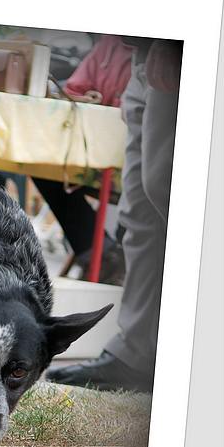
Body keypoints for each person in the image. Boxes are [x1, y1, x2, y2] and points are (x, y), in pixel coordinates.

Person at [46, 38, 182, 392]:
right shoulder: (104, 47)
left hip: (177, 51)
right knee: (139, 215)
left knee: (171, 194)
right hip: (144, 58)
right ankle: (133, 355)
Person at [33, 34, 135, 285]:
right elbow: (74, 88)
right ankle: (98, 253)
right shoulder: (109, 43)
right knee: (44, 168)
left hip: (129, 164)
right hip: (95, 155)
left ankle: (117, 259)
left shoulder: (155, 52)